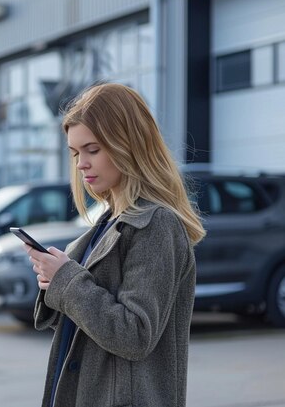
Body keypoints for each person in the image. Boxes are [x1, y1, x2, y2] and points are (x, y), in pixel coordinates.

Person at [26, 83, 205, 407]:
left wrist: (67, 280)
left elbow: (134, 334)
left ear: (128, 146)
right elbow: (85, 320)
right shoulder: (105, 224)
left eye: (92, 149)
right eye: (76, 152)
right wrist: (54, 278)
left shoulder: (156, 226)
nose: (81, 163)